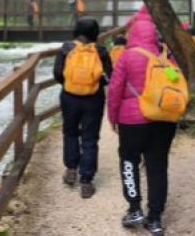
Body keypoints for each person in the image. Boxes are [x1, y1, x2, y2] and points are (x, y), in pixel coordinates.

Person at [109, 20, 178, 236]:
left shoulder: (126, 56)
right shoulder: (166, 56)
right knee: (157, 167)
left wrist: (113, 119)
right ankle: (155, 220)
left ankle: (135, 209)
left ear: (134, 35)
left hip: (132, 121)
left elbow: (114, 90)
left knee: (129, 162)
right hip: (164, 120)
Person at [53, 17, 113, 199]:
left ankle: (71, 170)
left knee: (70, 132)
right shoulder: (101, 51)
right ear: (95, 32)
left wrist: (70, 84)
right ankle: (86, 181)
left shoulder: (66, 48)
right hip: (93, 99)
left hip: (69, 97)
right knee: (90, 138)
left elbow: (57, 73)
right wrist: (95, 82)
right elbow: (110, 76)